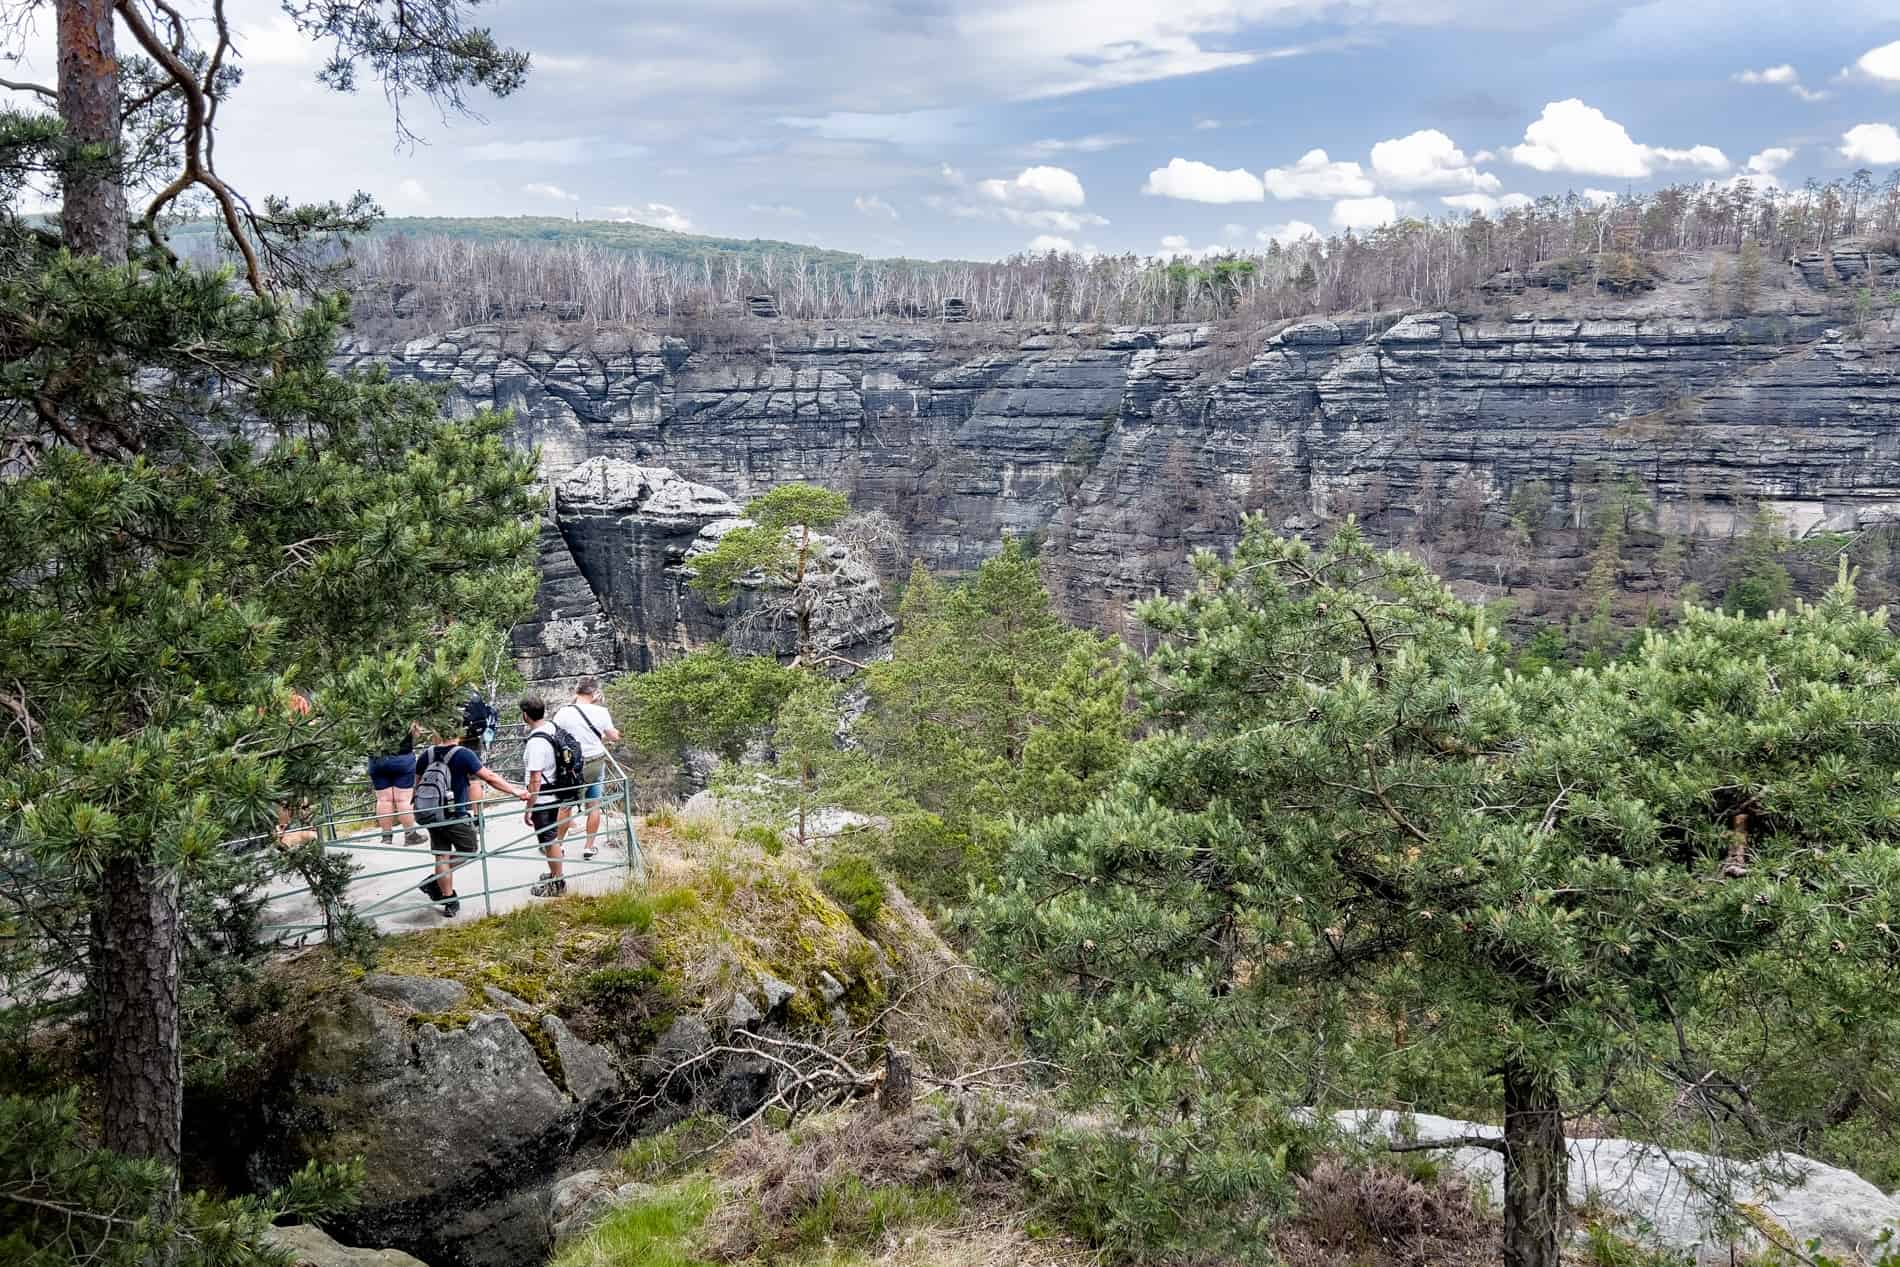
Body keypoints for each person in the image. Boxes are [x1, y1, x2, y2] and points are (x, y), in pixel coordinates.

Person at [414, 723, 528, 919]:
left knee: (442, 856)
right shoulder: (463, 754)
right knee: (469, 849)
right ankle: (435, 882)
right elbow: (489, 777)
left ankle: (449, 900)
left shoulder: (427, 754)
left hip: (432, 814)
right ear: (458, 733)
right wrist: (515, 791)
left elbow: (417, 784)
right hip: (454, 814)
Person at [553, 677, 622, 861]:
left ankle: (558, 845)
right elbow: (613, 736)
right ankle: (589, 847)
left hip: (572, 765)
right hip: (595, 762)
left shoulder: (563, 713)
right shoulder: (601, 712)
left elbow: (556, 736)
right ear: (594, 693)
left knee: (566, 805)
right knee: (594, 806)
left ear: (576, 693)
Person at [520, 695, 580, 897]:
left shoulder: (536, 742)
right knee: (550, 838)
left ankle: (557, 883)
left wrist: (529, 806)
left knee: (549, 841)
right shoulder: (552, 728)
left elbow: (535, 778)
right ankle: (555, 874)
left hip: (544, 798)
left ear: (525, 716)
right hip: (556, 790)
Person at [369, 720, 426, 848]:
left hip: (377, 758)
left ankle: (386, 837)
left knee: (383, 799)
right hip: (402, 757)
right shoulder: (407, 710)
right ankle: (410, 835)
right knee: (403, 800)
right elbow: (417, 733)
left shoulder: (370, 708)